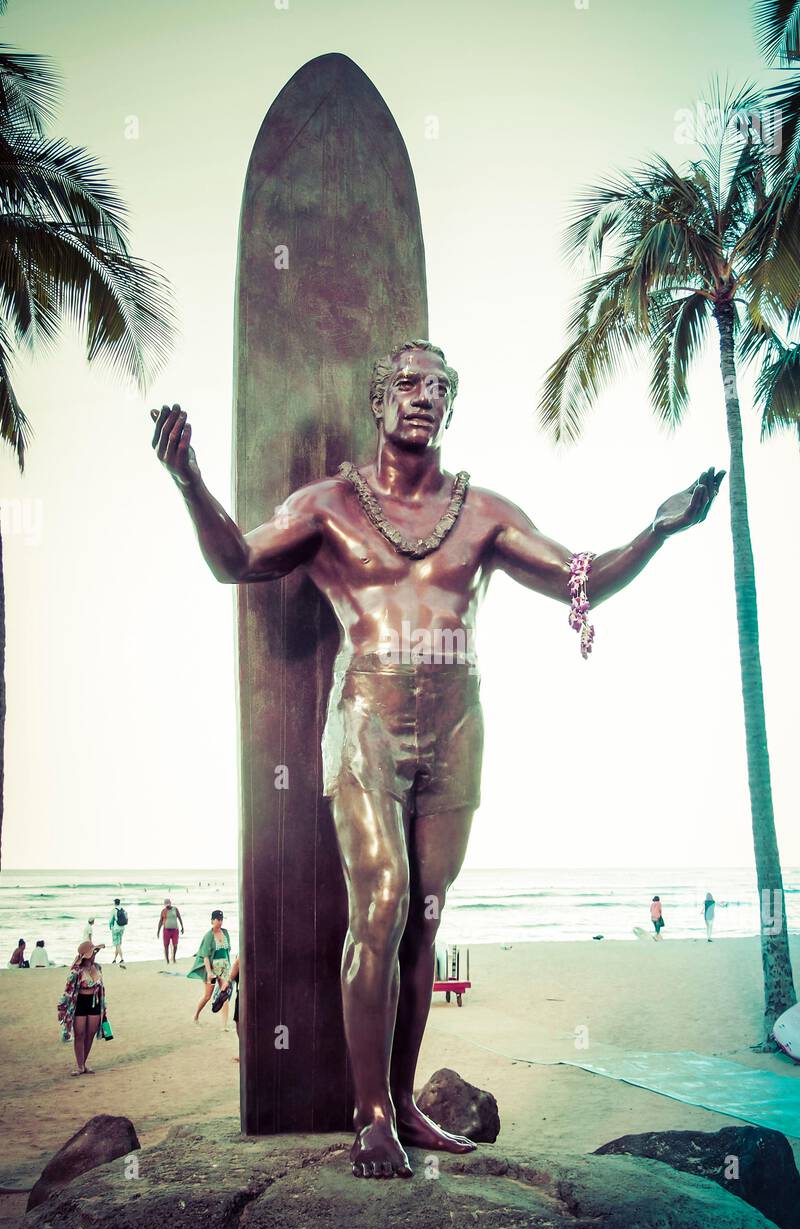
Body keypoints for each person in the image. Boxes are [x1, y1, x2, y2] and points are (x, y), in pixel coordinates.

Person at [151, 341, 723, 1178]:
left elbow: (582, 579)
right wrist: (190, 482)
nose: (424, 398)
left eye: (439, 389)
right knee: (380, 901)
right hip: (368, 720)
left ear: (449, 407)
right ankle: (371, 1114)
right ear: (379, 401)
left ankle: (407, 1100)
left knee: (425, 915)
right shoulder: (328, 507)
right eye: (409, 385)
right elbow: (234, 561)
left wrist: (657, 531)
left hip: (459, 724)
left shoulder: (482, 511)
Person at [58, 940, 108, 1075]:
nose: (94, 955)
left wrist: (104, 1008)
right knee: (79, 1034)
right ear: (87, 955)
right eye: (93, 953)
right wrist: (62, 1008)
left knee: (90, 1034)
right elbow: (68, 990)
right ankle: (80, 1065)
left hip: (95, 1003)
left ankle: (84, 1063)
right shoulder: (76, 970)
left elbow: (102, 988)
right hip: (80, 1003)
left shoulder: (97, 967)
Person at [188, 911, 232, 1025]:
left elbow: (227, 951)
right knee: (207, 996)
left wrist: (229, 968)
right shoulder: (209, 935)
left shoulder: (225, 933)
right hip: (212, 970)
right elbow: (206, 956)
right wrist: (209, 972)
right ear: (212, 921)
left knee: (224, 995)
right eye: (217, 919)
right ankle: (196, 1015)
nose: (220, 921)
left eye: (221, 919)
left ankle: (224, 1025)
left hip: (224, 969)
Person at [158, 897, 184, 963]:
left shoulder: (175, 909)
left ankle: (174, 958)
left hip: (175, 930)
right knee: (166, 945)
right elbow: (160, 921)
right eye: (166, 905)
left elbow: (179, 917)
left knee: (175, 945)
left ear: (170, 903)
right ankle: (167, 960)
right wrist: (158, 931)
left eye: (168, 904)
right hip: (166, 930)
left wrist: (182, 927)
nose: (167, 906)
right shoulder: (163, 911)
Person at [109, 898, 128, 967]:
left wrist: (110, 927)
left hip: (116, 929)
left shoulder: (114, 910)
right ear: (119, 903)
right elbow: (126, 918)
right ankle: (114, 959)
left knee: (117, 945)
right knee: (118, 944)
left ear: (115, 903)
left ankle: (122, 959)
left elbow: (111, 921)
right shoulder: (123, 909)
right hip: (122, 928)